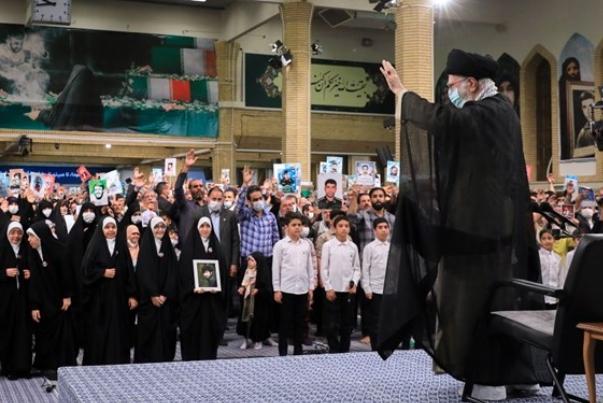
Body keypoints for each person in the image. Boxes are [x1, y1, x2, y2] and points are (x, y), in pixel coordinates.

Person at [378, 49, 545, 398]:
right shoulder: (502, 112)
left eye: (452, 85)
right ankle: (519, 376)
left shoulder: (487, 112)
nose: (450, 92)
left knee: (475, 305)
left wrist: (403, 93)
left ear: (471, 83)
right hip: (492, 231)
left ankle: (489, 382)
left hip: (478, 235)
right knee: (504, 301)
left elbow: (445, 122)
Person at [81, 217, 137, 365]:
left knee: (118, 331)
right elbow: (86, 270)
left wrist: (132, 295)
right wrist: (102, 273)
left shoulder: (121, 246)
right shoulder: (95, 246)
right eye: (107, 227)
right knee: (99, 332)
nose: (111, 230)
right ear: (101, 229)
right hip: (99, 299)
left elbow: (129, 271)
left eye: (113, 227)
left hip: (119, 298)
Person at [27, 221, 76, 384]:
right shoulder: (33, 253)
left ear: (40, 236)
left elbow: (67, 274)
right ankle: (46, 364)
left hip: (59, 300)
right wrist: (34, 305)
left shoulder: (59, 250)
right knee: (44, 333)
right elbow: (34, 282)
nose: (29, 240)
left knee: (61, 334)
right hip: (43, 302)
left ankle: (60, 366)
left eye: (31, 236)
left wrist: (67, 296)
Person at [178, 217, 227, 360]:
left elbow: (222, 273)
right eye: (202, 226)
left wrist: (217, 287)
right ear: (197, 228)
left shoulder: (217, 248)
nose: (205, 229)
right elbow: (183, 274)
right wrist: (192, 288)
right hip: (194, 301)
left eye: (208, 226)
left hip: (212, 301)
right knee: (193, 333)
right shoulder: (188, 249)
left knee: (209, 333)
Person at [135, 217, 178, 363]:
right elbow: (143, 273)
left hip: (166, 301)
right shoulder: (146, 247)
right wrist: (153, 294)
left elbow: (173, 272)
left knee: (166, 333)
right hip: (149, 301)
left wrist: (165, 294)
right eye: (156, 227)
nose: (160, 230)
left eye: (162, 227)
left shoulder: (168, 248)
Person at [198, 186, 240, 333]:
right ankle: (208, 326)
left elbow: (235, 240)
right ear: (208, 198)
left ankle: (221, 327)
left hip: (225, 262)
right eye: (214, 199)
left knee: (224, 296)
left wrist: (234, 263)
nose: (216, 201)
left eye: (219, 199)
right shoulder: (199, 213)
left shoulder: (230, 215)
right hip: (206, 262)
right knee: (208, 296)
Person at [272, 212, 315, 356]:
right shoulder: (280, 245)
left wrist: (310, 287)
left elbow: (309, 267)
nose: (297, 228)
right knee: (285, 323)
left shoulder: (306, 245)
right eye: (294, 225)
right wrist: (277, 289)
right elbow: (276, 268)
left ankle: (298, 351)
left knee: (300, 322)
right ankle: (283, 352)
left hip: (302, 289)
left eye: (299, 225)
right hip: (286, 289)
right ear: (286, 227)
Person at [320, 215, 360, 353]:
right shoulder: (328, 246)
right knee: (331, 324)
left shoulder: (353, 247)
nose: (344, 229)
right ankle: (334, 349)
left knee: (346, 324)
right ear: (335, 228)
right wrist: (328, 288)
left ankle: (344, 350)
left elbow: (356, 268)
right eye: (340, 226)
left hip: (348, 290)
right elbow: (324, 268)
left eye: (346, 226)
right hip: (333, 290)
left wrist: (354, 282)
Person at [0, 222, 31, 379]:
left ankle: (23, 368)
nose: (16, 236)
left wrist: (28, 273)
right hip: (5, 300)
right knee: (8, 332)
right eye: (12, 232)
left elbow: (33, 268)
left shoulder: (26, 249)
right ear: (7, 234)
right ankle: (9, 368)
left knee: (23, 333)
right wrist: (5, 273)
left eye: (19, 233)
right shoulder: (2, 248)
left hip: (22, 299)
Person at [361, 218, 398, 351]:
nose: (383, 230)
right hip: (374, 290)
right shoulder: (369, 248)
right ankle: (375, 349)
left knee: (389, 320)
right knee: (375, 321)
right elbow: (365, 269)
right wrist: (367, 288)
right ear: (375, 231)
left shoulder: (393, 247)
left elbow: (396, 269)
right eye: (380, 227)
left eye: (385, 227)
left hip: (390, 290)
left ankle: (387, 347)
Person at [172, 149, 205, 241]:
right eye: (195, 186)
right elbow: (178, 189)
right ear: (189, 190)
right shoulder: (185, 205)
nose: (199, 188)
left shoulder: (209, 206)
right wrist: (186, 167)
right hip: (188, 244)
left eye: (201, 186)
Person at [538, 229, 563, 309]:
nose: (547, 241)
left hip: (554, 296)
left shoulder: (558, 258)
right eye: (544, 239)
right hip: (540, 296)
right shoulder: (537, 257)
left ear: (554, 240)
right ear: (540, 241)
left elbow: (560, 278)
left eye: (549, 238)